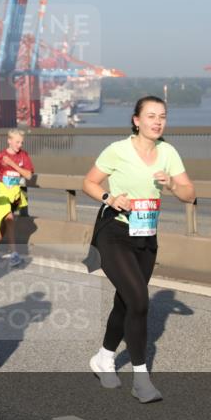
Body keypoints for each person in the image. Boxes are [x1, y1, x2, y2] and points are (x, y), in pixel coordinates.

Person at [82, 96, 195, 404]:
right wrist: (110, 198)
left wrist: (172, 183)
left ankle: (103, 358)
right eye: (151, 116)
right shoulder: (117, 150)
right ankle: (141, 380)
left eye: (162, 116)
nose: (157, 122)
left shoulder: (168, 153)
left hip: (146, 237)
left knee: (126, 302)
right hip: (115, 233)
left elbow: (190, 194)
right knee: (139, 300)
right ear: (136, 120)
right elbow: (89, 182)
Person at [0, 129, 34, 267]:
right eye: (17, 142)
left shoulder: (23, 155)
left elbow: (28, 175)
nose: (20, 145)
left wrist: (12, 164)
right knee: (9, 219)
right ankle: (14, 255)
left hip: (15, 193)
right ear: (9, 141)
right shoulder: (0, 155)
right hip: (2, 192)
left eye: (21, 142)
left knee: (4, 225)